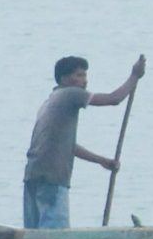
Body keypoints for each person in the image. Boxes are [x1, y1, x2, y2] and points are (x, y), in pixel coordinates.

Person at [23, 53, 145, 228]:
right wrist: (134, 76)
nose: (85, 81)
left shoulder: (51, 101)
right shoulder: (70, 94)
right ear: (64, 79)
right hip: (52, 178)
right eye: (79, 75)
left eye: (85, 75)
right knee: (55, 237)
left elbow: (67, 146)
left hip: (33, 176)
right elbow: (114, 99)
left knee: (35, 236)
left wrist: (102, 161)